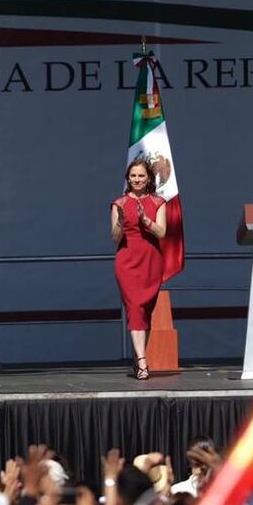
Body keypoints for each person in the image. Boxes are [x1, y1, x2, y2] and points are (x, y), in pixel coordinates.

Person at [110, 158, 167, 380]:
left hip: (151, 260)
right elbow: (115, 238)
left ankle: (137, 357)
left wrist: (146, 221)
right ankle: (143, 362)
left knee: (146, 311)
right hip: (127, 260)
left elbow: (162, 233)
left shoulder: (159, 202)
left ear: (149, 178)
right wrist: (121, 223)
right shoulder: (119, 203)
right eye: (133, 176)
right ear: (127, 178)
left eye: (141, 175)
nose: (137, 179)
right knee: (134, 307)